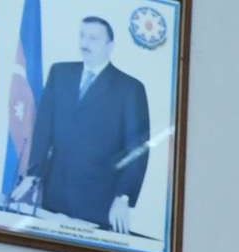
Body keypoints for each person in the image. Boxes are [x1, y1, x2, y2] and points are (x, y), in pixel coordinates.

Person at [12, 13, 153, 235]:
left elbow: (137, 149)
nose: (85, 44)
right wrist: (33, 174)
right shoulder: (60, 73)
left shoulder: (130, 88)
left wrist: (124, 197)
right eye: (82, 36)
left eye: (93, 38)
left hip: (99, 200)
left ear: (110, 46)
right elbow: (43, 128)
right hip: (55, 192)